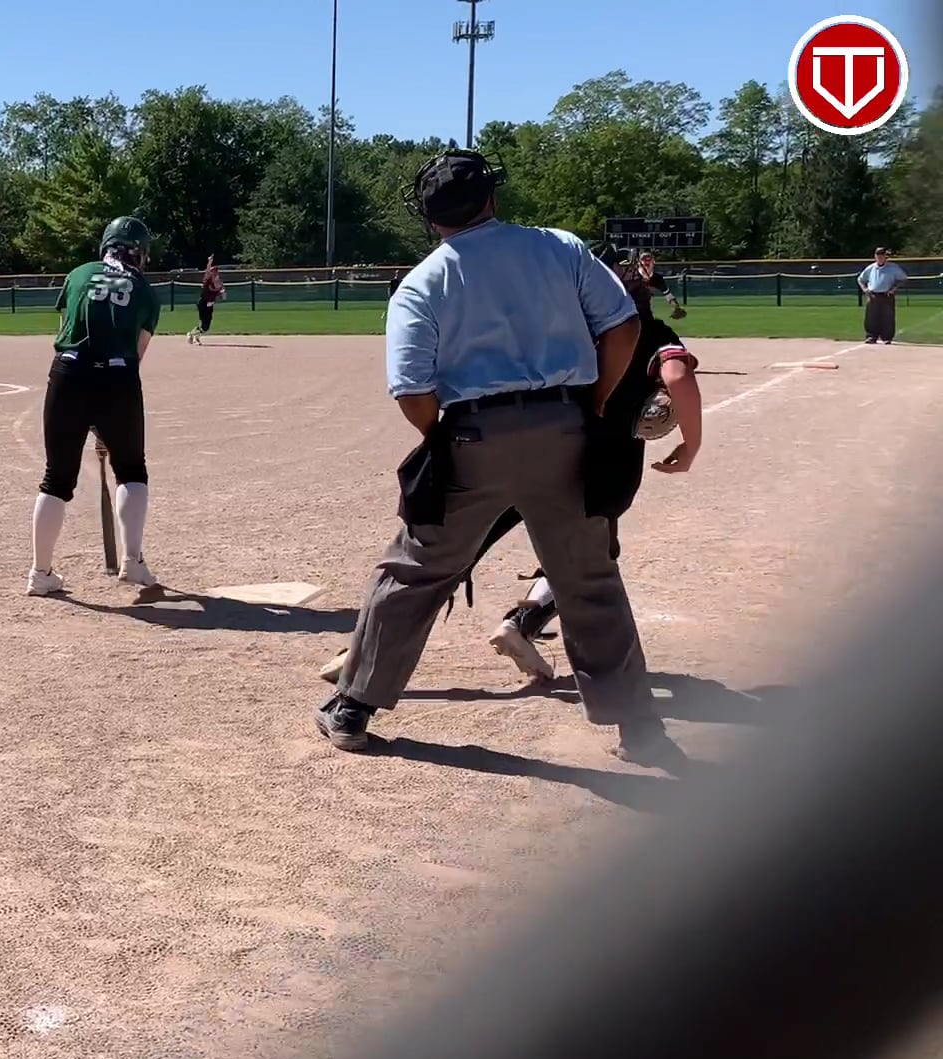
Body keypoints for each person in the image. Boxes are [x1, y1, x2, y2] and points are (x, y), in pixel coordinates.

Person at [314, 148, 679, 768]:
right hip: (567, 428)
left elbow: (412, 391)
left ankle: (353, 709)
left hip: (473, 437)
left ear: (431, 217)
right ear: (491, 197)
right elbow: (622, 327)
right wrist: (593, 401)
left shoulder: (423, 281)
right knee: (588, 578)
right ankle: (640, 728)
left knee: (415, 571)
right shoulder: (560, 247)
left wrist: (445, 436)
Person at [318, 242, 708, 685]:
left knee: (446, 556)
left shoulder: (566, 326)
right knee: (587, 564)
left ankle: (364, 654)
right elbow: (677, 375)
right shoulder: (649, 333)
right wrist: (691, 445)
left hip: (519, 446)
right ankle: (534, 634)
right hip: (594, 465)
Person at [28, 216, 163, 596]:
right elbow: (137, 354)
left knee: (56, 477)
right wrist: (107, 421)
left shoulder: (78, 274)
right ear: (139, 253)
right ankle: (132, 562)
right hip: (118, 378)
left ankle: (40, 573)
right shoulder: (146, 291)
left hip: (67, 373)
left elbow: (65, 328)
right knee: (131, 470)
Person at [858, 248, 907, 345]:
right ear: (875, 256)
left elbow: (903, 279)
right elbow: (860, 279)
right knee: (871, 317)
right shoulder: (871, 268)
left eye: (882, 255)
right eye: (878, 255)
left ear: (885, 256)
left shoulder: (893, 268)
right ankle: (871, 336)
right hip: (873, 295)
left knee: (888, 317)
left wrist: (894, 288)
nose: (879, 257)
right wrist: (865, 289)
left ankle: (887, 337)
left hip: (886, 295)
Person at [187, 256, 226, 344]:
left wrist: (223, 293)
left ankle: (194, 335)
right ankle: (192, 334)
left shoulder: (220, 283)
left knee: (206, 327)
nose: (215, 273)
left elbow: (223, 296)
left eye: (216, 272)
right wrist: (209, 262)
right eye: (213, 271)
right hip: (203, 303)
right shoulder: (207, 280)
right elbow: (207, 271)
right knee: (203, 323)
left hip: (210, 305)